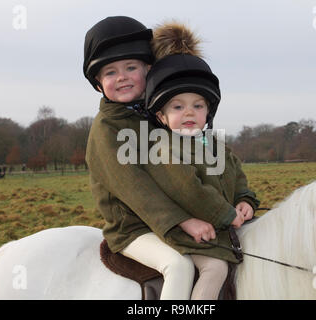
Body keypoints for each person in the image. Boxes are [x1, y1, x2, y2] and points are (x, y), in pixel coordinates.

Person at [84, 16, 258, 300]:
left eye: (131, 67)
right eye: (110, 72)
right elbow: (137, 191)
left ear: (149, 69)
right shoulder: (107, 130)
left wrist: (243, 199)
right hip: (135, 227)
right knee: (178, 265)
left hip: (176, 219)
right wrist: (183, 221)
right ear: (98, 84)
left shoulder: (160, 117)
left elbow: (214, 165)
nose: (123, 77)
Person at [139, 22, 260, 299]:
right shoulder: (163, 148)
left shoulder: (215, 144)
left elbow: (237, 177)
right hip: (185, 233)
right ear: (161, 116)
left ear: (208, 111)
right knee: (215, 269)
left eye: (198, 105)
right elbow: (188, 190)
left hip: (220, 228)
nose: (189, 113)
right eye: (178, 107)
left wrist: (245, 202)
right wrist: (226, 215)